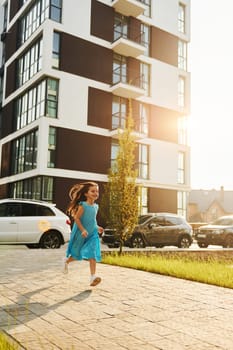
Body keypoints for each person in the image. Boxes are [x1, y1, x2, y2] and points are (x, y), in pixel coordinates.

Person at [62, 181, 104, 286]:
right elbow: (76, 218)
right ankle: (66, 261)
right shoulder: (83, 205)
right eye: (92, 191)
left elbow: (92, 220)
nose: (95, 193)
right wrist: (83, 230)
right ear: (86, 193)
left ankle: (92, 277)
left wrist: (97, 227)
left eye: (97, 191)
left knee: (92, 253)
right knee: (77, 255)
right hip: (82, 234)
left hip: (92, 234)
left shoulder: (96, 206)